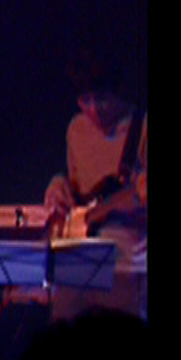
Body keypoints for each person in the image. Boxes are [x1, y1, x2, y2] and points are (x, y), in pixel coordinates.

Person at [43, 47, 147, 320]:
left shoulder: (141, 127)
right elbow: (79, 188)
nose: (93, 110)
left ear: (117, 91)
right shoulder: (76, 129)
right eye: (84, 100)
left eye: (100, 99)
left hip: (126, 264)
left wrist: (108, 209)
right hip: (79, 258)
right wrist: (58, 186)